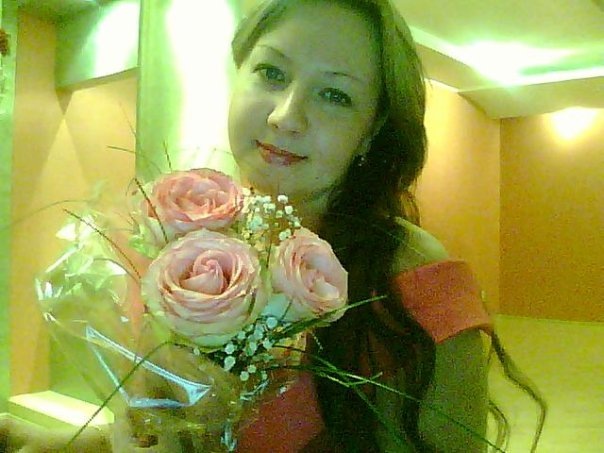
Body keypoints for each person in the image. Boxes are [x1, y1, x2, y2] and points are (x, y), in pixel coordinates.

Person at [1, 0, 545, 451]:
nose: (286, 115)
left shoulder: (420, 285)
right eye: (271, 72)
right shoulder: (192, 248)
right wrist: (68, 444)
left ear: (372, 130)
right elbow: (163, 426)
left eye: (334, 95)